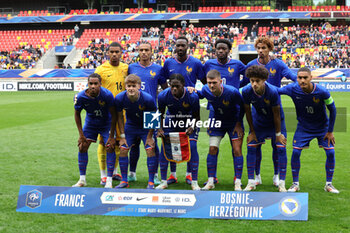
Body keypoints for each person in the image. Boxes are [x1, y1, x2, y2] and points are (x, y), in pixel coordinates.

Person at [243, 36, 297, 187]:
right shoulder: (251, 65)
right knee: (255, 146)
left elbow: (292, 76)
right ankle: (257, 176)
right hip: (258, 113)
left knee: (277, 146)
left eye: (264, 48)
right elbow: (241, 83)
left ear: (270, 49)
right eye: (258, 48)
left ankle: (277, 176)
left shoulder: (278, 64)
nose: (260, 51)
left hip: (275, 110)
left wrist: (301, 82)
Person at [278, 67, 339, 193]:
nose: (302, 80)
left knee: (331, 153)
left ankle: (329, 184)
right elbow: (276, 91)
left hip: (322, 128)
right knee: (295, 153)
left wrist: (330, 131)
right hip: (303, 128)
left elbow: (333, 110)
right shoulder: (292, 88)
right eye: (299, 78)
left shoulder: (322, 91)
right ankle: (295, 184)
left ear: (311, 78)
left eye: (305, 78)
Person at [162, 36, 206, 185]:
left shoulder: (195, 63)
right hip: (173, 111)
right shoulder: (168, 62)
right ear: (174, 47)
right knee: (170, 142)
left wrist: (196, 90)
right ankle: (172, 175)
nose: (180, 48)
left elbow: (206, 83)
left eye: (183, 46)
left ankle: (189, 175)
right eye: (178, 46)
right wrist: (169, 94)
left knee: (191, 144)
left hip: (190, 108)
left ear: (188, 47)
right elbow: (162, 79)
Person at [242, 65, 287, 192]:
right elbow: (247, 112)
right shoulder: (246, 91)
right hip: (258, 122)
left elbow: (277, 114)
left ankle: (279, 180)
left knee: (280, 148)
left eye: (257, 81)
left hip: (275, 122)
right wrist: (252, 131)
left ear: (264, 80)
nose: (254, 84)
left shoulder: (272, 91)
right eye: (252, 81)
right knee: (251, 147)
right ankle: (253, 180)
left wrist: (278, 134)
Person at [127, 42, 168, 184]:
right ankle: (132, 173)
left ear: (152, 52)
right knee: (134, 144)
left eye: (146, 50)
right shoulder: (131, 67)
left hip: (151, 111)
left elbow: (165, 88)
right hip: (132, 110)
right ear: (138, 52)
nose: (144, 52)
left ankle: (155, 175)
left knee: (152, 144)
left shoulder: (158, 68)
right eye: (141, 50)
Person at [198, 70, 244, 191]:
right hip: (217, 121)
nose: (212, 85)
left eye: (214, 82)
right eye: (209, 83)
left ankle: (238, 182)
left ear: (220, 81)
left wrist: (239, 124)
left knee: (237, 149)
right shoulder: (205, 89)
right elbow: (199, 95)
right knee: (212, 148)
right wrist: (190, 90)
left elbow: (243, 106)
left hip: (233, 121)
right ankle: (211, 181)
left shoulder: (232, 92)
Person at [155, 73, 201, 191]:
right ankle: (165, 180)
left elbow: (197, 117)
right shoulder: (163, 95)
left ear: (183, 85)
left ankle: (193, 180)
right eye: (172, 86)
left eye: (177, 86)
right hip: (172, 121)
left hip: (189, 121)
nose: (174, 88)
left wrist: (191, 127)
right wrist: (159, 129)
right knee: (166, 147)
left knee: (193, 146)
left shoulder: (192, 96)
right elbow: (159, 114)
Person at [72, 73, 117, 188]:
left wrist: (112, 136)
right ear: (87, 84)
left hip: (106, 123)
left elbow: (114, 115)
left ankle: (109, 180)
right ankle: (82, 180)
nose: (93, 86)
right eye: (90, 83)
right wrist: (81, 134)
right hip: (91, 123)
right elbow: (77, 114)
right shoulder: (80, 97)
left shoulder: (107, 95)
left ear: (100, 84)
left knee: (110, 147)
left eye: (95, 84)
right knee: (82, 146)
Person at [114, 74, 158, 189]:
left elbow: (154, 117)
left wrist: (149, 137)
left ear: (139, 86)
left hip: (146, 127)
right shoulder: (119, 98)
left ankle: (151, 181)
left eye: (133, 86)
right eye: (128, 86)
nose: (131, 88)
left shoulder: (148, 99)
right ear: (125, 86)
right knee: (123, 150)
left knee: (150, 150)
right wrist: (122, 136)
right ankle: (124, 181)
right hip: (131, 126)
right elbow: (119, 117)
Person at [94, 42, 128, 186]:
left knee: (120, 142)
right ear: (107, 53)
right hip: (106, 113)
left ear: (122, 53)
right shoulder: (101, 69)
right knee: (104, 142)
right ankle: (103, 175)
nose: (114, 54)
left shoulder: (127, 68)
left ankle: (114, 172)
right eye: (111, 52)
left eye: (117, 52)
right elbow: (93, 90)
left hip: (122, 113)